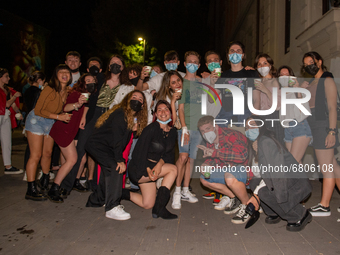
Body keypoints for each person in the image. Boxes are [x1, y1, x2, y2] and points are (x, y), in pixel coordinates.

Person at [60, 55, 125, 195]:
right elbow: (89, 96)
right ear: (108, 66)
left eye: (118, 63)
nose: (115, 65)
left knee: (102, 152)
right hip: (93, 115)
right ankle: (66, 186)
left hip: (109, 118)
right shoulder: (100, 79)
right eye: (112, 63)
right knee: (80, 150)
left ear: (122, 67)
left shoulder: (125, 85)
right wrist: (84, 117)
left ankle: (98, 186)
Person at [85, 90, 148, 220]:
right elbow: (118, 138)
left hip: (106, 146)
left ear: (142, 105)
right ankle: (112, 207)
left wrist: (133, 128)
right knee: (116, 169)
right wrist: (119, 159)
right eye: (134, 97)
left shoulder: (130, 117)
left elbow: (126, 136)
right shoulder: (121, 113)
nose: (137, 100)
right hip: (98, 145)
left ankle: (97, 200)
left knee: (107, 172)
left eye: (140, 99)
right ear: (127, 100)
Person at [245, 116, 313, 232]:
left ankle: (299, 214)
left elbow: (277, 173)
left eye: (252, 125)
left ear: (261, 126)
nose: (249, 129)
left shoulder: (266, 142)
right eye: (246, 127)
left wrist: (259, 195)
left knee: (263, 191)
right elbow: (260, 174)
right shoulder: (257, 145)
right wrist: (257, 154)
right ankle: (274, 211)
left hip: (295, 184)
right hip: (283, 180)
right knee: (254, 183)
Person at [24, 64, 72, 201]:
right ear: (56, 75)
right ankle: (31, 189)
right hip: (37, 121)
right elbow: (38, 110)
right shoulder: (49, 89)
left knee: (48, 153)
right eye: (61, 71)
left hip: (50, 122)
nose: (64, 74)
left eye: (67, 72)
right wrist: (59, 117)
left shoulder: (66, 90)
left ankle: (45, 180)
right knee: (36, 155)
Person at [124, 100, 178, 219]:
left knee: (147, 204)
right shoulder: (151, 128)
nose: (163, 112)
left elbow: (169, 155)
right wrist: (147, 170)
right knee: (173, 170)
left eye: (166, 109)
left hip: (155, 169)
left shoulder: (173, 132)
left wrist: (159, 165)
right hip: (140, 168)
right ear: (156, 114)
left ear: (170, 113)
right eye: (159, 110)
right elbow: (138, 153)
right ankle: (160, 208)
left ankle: (119, 193)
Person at [302, 52, 340, 216]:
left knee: (326, 168)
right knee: (334, 167)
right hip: (314, 125)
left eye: (311, 62)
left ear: (319, 61)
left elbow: (332, 107)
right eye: (306, 64)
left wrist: (331, 131)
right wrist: (302, 90)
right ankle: (325, 204)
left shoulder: (327, 79)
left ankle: (324, 205)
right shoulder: (311, 82)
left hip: (323, 126)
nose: (309, 65)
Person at [47, 74, 95, 202]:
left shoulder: (86, 97)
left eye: (93, 81)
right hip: (64, 130)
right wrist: (76, 105)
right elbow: (65, 108)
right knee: (73, 159)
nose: (91, 83)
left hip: (70, 131)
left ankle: (57, 187)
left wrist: (83, 114)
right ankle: (54, 188)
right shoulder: (76, 94)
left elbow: (86, 108)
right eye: (88, 81)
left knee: (70, 160)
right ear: (82, 83)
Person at [197, 116, 251, 224]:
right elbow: (215, 159)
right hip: (228, 170)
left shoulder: (231, 135)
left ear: (215, 127)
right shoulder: (211, 141)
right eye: (202, 131)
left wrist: (214, 153)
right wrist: (206, 164)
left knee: (229, 176)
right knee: (204, 179)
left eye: (208, 129)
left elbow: (242, 156)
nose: (205, 133)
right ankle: (235, 197)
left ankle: (247, 206)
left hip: (244, 169)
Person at [172, 51, 203, 209]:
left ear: (198, 65)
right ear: (184, 64)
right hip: (186, 127)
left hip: (199, 129)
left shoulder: (202, 82)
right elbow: (181, 109)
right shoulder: (181, 84)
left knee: (191, 159)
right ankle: (176, 192)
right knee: (183, 157)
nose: (192, 64)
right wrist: (183, 127)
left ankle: (185, 190)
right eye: (189, 61)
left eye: (195, 62)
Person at [210, 41, 261, 125]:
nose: (235, 53)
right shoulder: (222, 76)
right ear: (228, 55)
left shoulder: (252, 74)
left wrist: (254, 118)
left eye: (238, 51)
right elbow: (211, 99)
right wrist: (212, 84)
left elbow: (257, 99)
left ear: (243, 55)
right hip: (226, 117)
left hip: (245, 115)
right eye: (232, 51)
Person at [277, 66, 312, 163]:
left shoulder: (300, 91)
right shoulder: (280, 94)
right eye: (281, 75)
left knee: (292, 163)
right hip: (287, 129)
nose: (284, 77)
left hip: (300, 126)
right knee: (296, 164)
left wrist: (298, 89)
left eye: (287, 75)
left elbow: (302, 112)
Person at [254, 53, 284, 144]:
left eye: (265, 63)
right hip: (261, 118)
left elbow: (278, 105)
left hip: (273, 117)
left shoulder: (275, 81)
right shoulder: (258, 81)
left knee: (276, 146)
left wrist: (265, 90)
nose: (262, 66)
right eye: (259, 64)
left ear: (270, 66)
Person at [0, 68, 23, 174]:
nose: (9, 78)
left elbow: (12, 105)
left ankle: (8, 166)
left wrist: (19, 113)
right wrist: (14, 96)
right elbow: (7, 104)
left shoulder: (7, 89)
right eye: (6, 76)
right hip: (1, 114)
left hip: (5, 115)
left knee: (7, 141)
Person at [23, 71, 45, 175]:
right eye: (43, 81)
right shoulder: (38, 92)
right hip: (36, 121)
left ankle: (27, 171)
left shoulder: (27, 90)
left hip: (29, 119)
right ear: (40, 80)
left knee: (30, 148)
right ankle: (33, 172)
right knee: (36, 151)